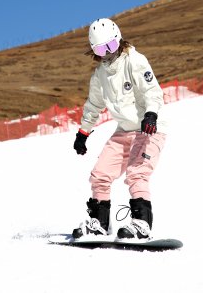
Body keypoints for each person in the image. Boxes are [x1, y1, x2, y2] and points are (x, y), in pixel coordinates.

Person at [72, 18, 167, 240]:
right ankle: (100, 224)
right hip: (124, 131)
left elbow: (152, 90)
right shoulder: (100, 75)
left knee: (137, 173)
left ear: (119, 40)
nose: (107, 53)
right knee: (100, 175)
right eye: (100, 49)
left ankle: (142, 224)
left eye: (111, 46)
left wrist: (151, 113)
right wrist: (83, 133)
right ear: (93, 50)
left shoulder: (134, 60)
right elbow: (93, 105)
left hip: (149, 128)